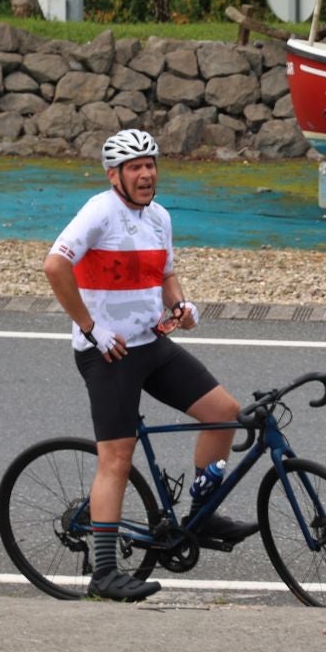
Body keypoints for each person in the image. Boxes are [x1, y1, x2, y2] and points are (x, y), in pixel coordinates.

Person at [44, 128, 257, 602]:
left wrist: (182, 305)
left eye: (150, 165)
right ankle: (103, 573)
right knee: (117, 458)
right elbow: (54, 267)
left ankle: (202, 517)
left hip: (151, 343)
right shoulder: (99, 212)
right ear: (114, 176)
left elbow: (165, 273)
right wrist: (90, 327)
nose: (146, 174)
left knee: (224, 412)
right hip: (109, 354)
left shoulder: (159, 216)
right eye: (135, 167)